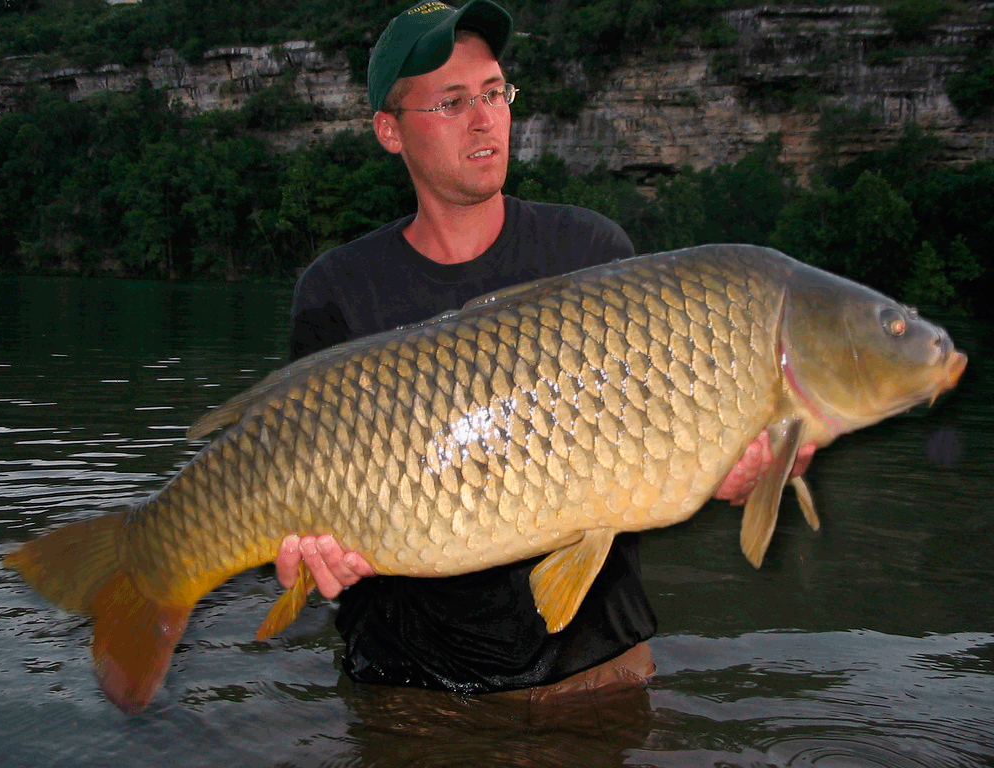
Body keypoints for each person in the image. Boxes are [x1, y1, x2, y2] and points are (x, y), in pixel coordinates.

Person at [276, 0, 814, 700]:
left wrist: (731, 467)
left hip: (594, 676)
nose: (485, 118)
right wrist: (307, 554)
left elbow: (646, 445)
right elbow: (298, 488)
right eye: (451, 101)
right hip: (410, 689)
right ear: (389, 130)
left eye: (495, 92)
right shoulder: (338, 290)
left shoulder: (592, 254)